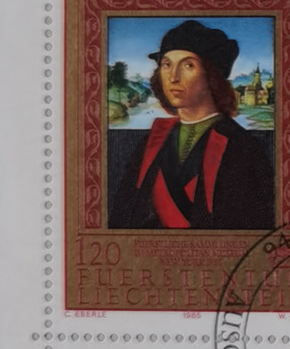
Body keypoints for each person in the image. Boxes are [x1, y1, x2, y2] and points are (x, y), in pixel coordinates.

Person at [106, 19, 276, 231]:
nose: (173, 77)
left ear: (212, 76)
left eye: (188, 65)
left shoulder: (243, 147)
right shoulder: (153, 140)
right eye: (166, 64)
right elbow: (124, 216)